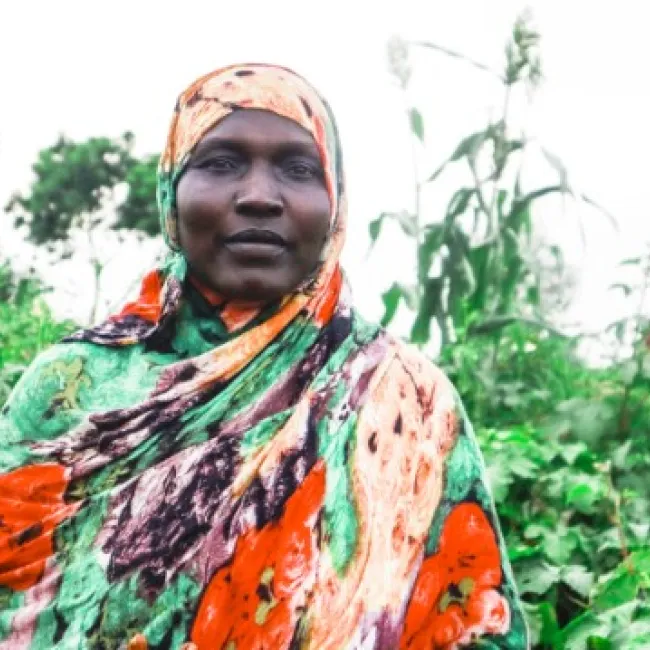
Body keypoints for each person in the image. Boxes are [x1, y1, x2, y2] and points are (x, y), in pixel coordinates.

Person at [0, 64, 529, 649]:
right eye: (220, 162)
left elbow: (469, 626)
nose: (257, 196)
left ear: (334, 201)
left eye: (299, 169)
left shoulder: (405, 397)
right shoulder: (68, 388)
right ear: (171, 189)